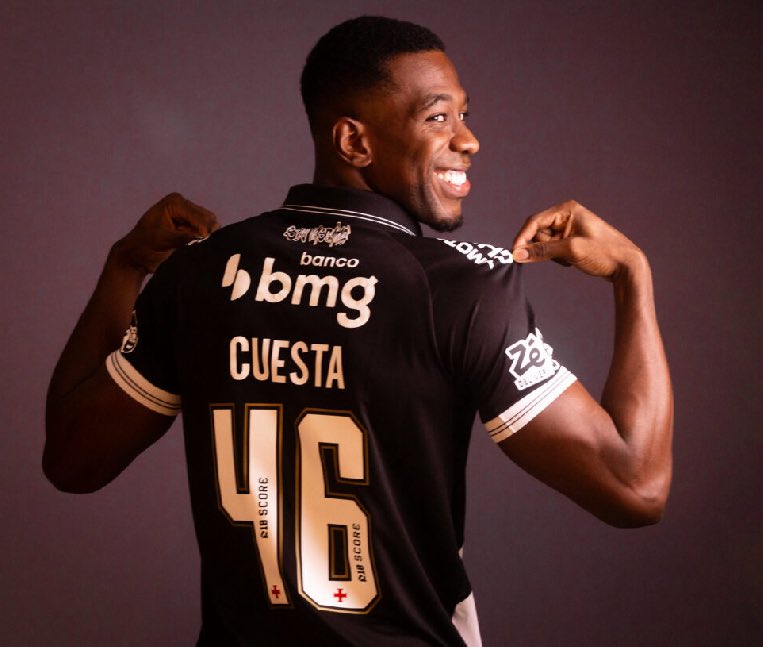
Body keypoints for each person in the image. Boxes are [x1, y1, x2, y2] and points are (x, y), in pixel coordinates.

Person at [44, 16, 673, 647]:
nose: (469, 140)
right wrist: (632, 274)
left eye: (463, 115)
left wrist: (127, 265)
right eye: (438, 118)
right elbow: (636, 489)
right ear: (353, 141)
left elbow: (72, 461)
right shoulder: (460, 290)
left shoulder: (200, 273)